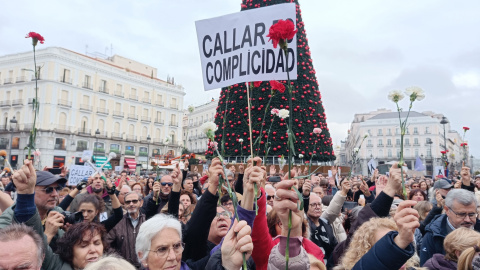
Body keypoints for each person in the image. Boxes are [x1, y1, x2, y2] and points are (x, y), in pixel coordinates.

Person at [420, 189, 480, 265]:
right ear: (447, 210)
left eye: (472, 214)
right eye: (461, 214)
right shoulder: (433, 235)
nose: (467, 220)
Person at [107, 191, 146, 268]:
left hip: (146, 266)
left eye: (134, 201)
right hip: (124, 266)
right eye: (128, 202)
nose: (131, 204)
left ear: (141, 203)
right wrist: (118, 258)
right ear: (124, 205)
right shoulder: (118, 222)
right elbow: (106, 243)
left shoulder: (147, 220)